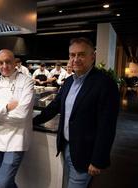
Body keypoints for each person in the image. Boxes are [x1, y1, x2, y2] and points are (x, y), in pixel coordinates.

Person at [33, 37, 120, 188]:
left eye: (81, 54)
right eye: (72, 55)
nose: (76, 59)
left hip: (85, 152)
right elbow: (54, 107)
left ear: (92, 56)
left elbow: (107, 126)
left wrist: (98, 159)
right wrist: (32, 121)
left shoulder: (105, 84)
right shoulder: (69, 82)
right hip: (66, 146)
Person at [0, 49, 35, 188]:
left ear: (15, 62)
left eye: (8, 62)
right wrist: (6, 107)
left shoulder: (27, 82)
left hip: (16, 140)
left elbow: (22, 115)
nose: (4, 66)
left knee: (3, 184)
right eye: (0, 63)